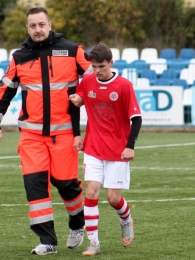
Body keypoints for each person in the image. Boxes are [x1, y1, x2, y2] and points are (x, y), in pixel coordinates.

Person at [0, 7, 92, 256]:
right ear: (27, 28)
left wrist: (85, 97)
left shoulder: (71, 50)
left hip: (65, 135)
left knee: (68, 185)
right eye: (32, 25)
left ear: (49, 24)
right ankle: (48, 241)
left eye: (41, 24)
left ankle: (78, 224)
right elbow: (4, 92)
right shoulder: (19, 57)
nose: (37, 29)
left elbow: (96, 78)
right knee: (35, 187)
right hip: (31, 137)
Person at [69, 42, 142, 256]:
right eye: (94, 67)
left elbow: (136, 119)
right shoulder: (88, 80)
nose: (97, 71)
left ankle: (126, 219)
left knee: (112, 198)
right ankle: (94, 243)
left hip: (118, 151)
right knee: (91, 192)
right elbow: (77, 103)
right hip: (93, 148)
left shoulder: (123, 85)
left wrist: (130, 147)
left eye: (101, 66)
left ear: (111, 63)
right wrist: (77, 133)